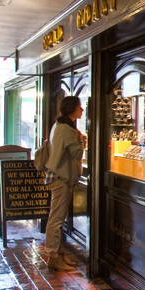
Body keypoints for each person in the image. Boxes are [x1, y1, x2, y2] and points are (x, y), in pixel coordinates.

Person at [42, 96, 85, 270]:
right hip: (61, 178)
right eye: (80, 107)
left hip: (57, 176)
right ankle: (53, 257)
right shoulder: (67, 130)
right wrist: (82, 141)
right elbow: (77, 153)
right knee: (57, 218)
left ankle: (58, 254)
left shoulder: (57, 126)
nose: (82, 110)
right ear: (73, 109)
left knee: (58, 217)